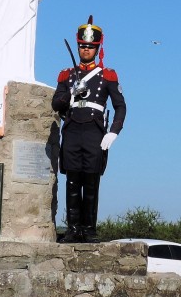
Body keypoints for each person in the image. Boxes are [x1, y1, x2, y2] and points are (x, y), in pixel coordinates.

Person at [52, 16, 126, 243]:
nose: (85, 50)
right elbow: (56, 104)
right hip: (73, 131)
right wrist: (71, 93)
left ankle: (89, 230)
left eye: (90, 47)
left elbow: (120, 106)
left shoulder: (107, 75)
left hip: (95, 133)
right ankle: (74, 229)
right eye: (83, 46)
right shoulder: (67, 75)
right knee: (72, 182)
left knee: (91, 183)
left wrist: (113, 132)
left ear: (97, 48)